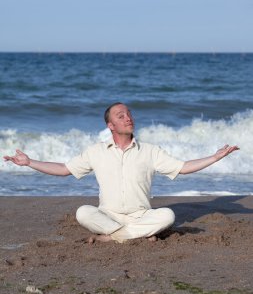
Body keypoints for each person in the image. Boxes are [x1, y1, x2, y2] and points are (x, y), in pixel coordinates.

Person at [4, 102, 239, 243]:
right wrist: (29, 162)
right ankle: (131, 236)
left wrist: (215, 157)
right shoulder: (96, 151)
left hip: (141, 216)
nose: (128, 118)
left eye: (129, 114)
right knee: (83, 212)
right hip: (108, 217)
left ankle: (112, 239)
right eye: (121, 116)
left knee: (167, 215)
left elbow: (183, 167)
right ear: (110, 126)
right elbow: (64, 170)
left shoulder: (150, 151)